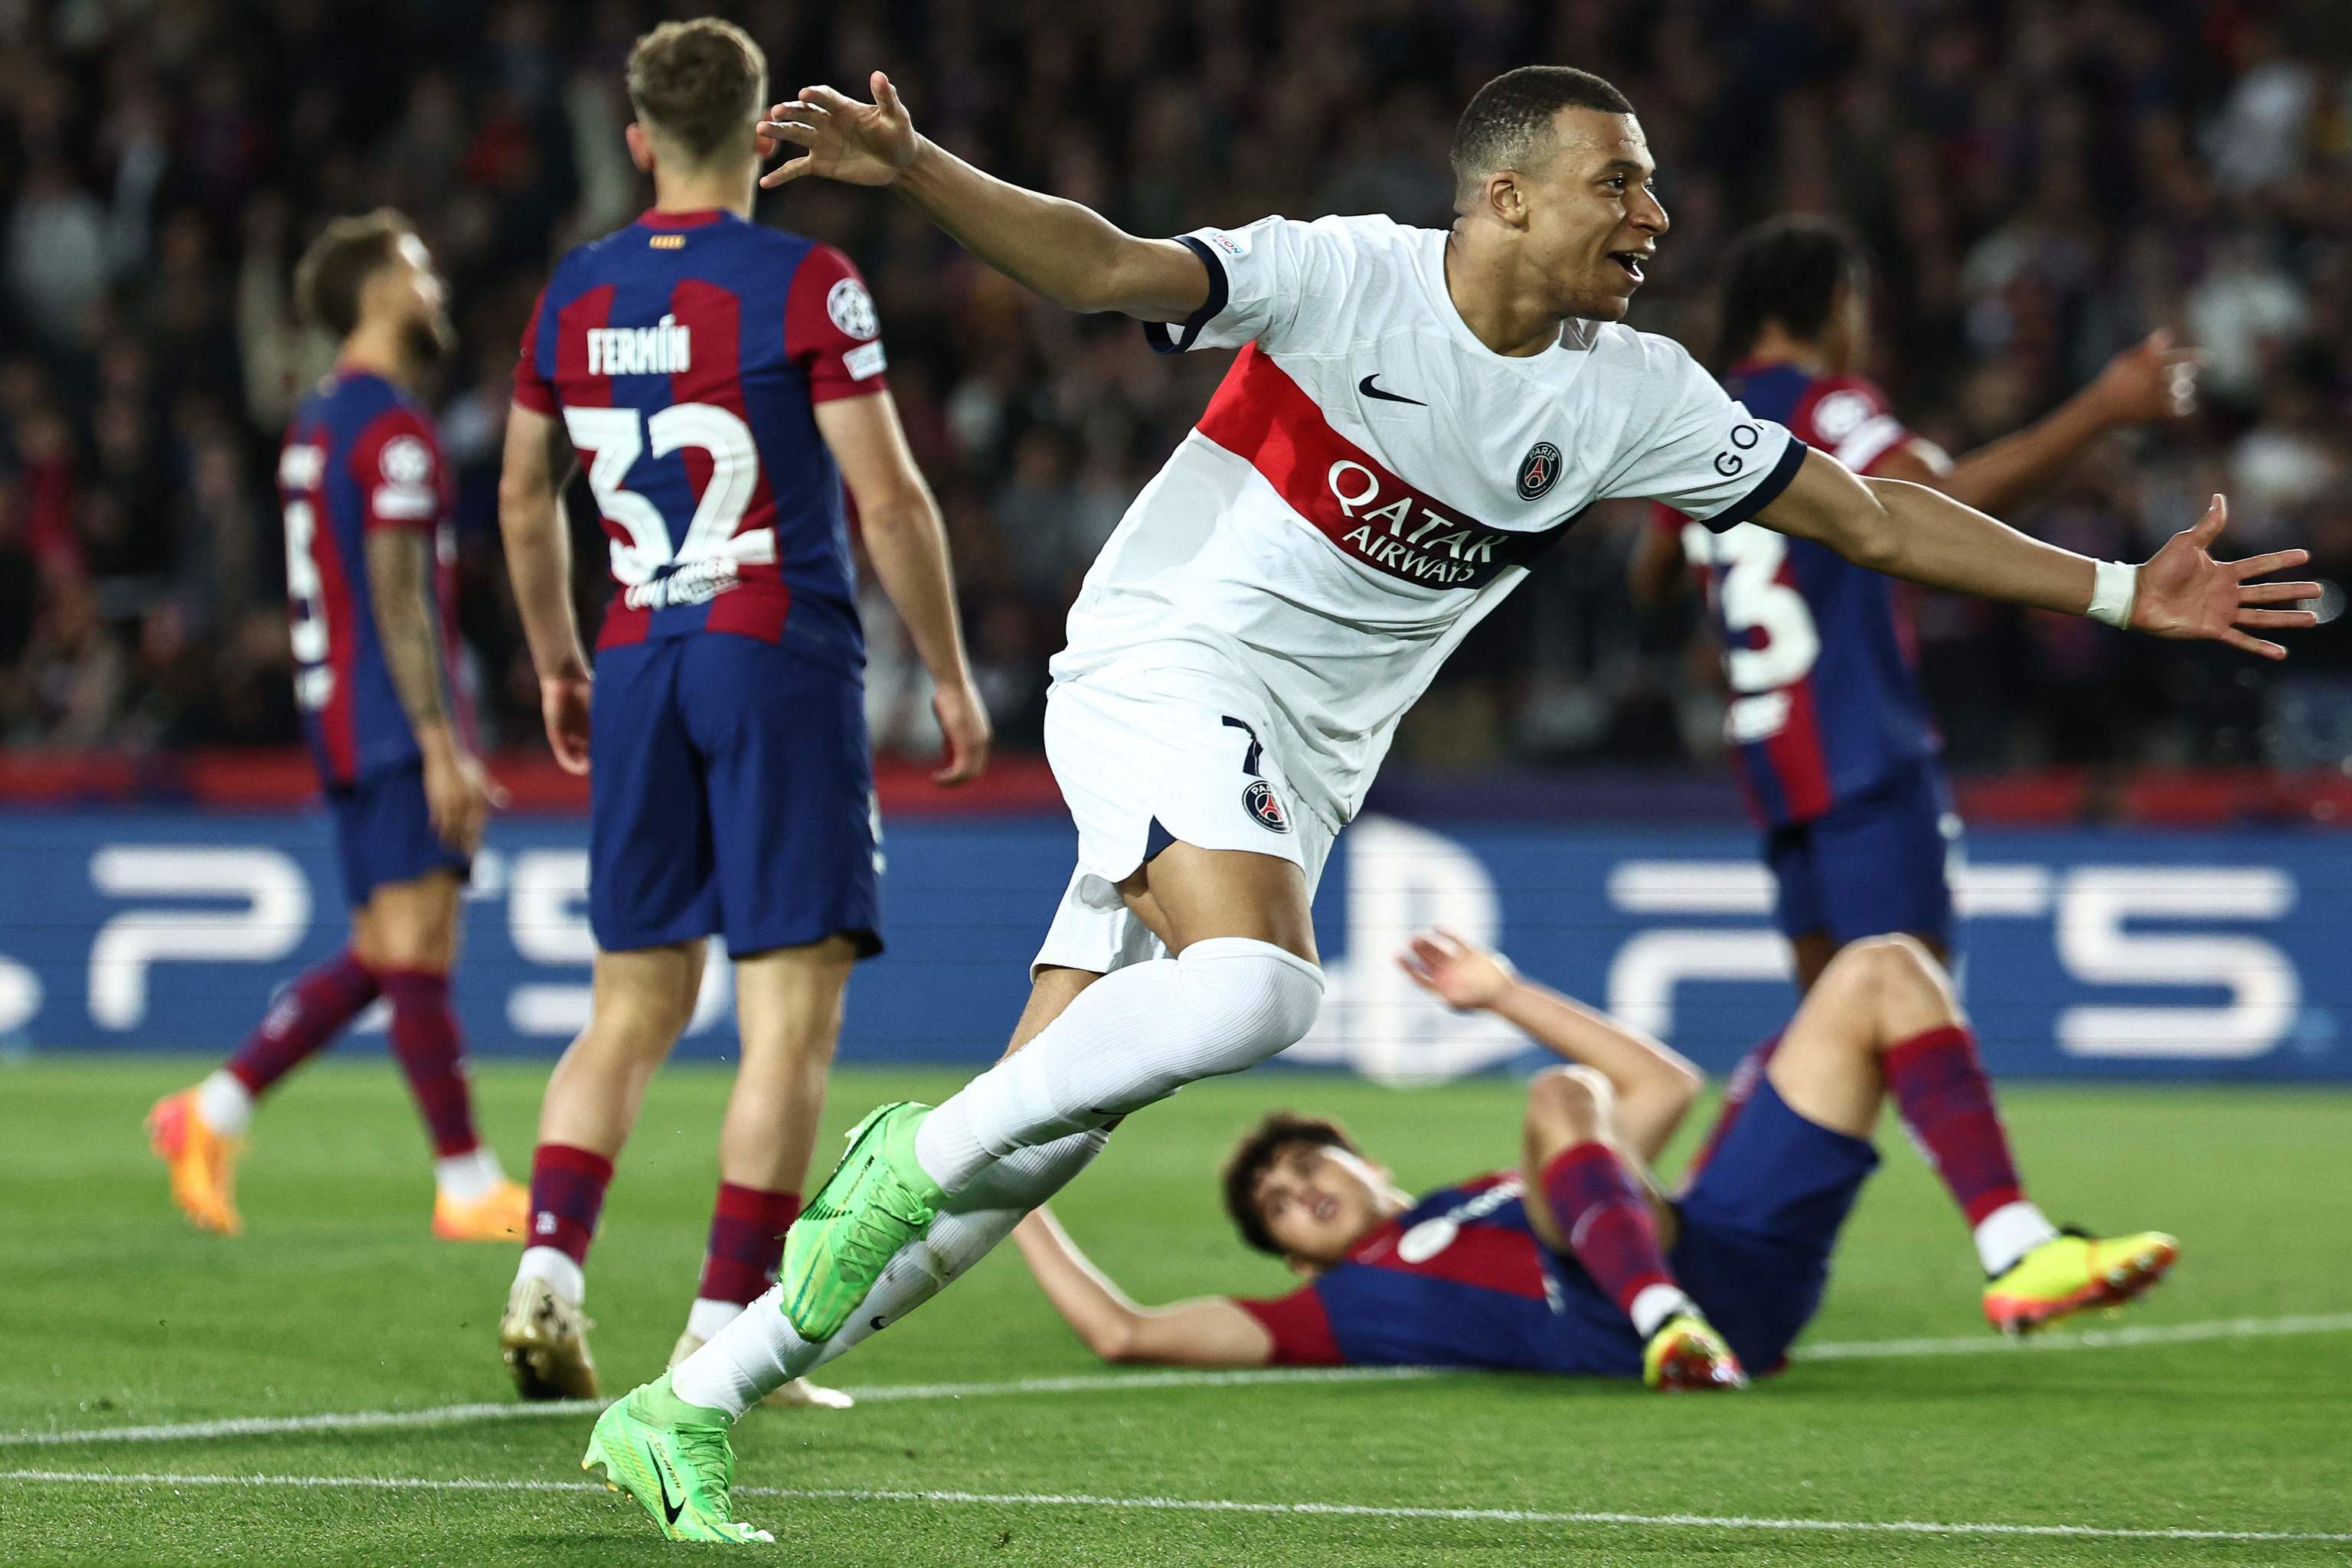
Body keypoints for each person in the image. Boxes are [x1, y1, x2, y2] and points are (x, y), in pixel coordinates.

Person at [584, 64, 2308, 1543]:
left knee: (1039, 1147)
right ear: (1502, 194)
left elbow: (1861, 516)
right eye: (1617, 182)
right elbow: (1112, 266)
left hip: (1303, 767)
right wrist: (925, 172)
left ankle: (686, 1399)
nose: (1654, 211)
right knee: (1259, 990)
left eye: (1657, 188)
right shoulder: (1346, 279)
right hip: (1165, 667)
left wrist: (2108, 591)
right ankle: (911, 1140)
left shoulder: (1631, 394)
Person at [492, 18, 988, 1410]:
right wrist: (947, 671)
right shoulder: (804, 281)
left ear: (640, 138)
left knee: (629, 1006)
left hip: (640, 647)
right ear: (764, 129)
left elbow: (525, 497)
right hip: (775, 652)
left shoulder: (574, 291)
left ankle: (548, 1267)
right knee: (786, 1022)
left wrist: (553, 657)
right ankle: (721, 1328)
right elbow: (886, 494)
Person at [1011, 929, 2177, 1389]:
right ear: (1296, 1253)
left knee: (1878, 969)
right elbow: (1127, 1333)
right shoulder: (1340, 1307)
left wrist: (1507, 994)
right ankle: (1662, 1321)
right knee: (1564, 1099)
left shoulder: (1494, 1193)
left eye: (1307, 1163)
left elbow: (1660, 1089)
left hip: (1728, 1256)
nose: (1299, 1191)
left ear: (1367, 1163)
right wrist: (1003, 1186)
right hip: (1614, 1315)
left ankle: (2017, 1245)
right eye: (1279, 1208)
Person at [1629, 216, 2203, 990]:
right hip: (1860, 746)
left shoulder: (1706, 422)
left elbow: (1650, 574)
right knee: (1916, 1016)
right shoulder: (1827, 406)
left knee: (1829, 1040)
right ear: (1837, 301)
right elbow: (1937, 505)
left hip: (1771, 756)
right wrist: (2101, 407)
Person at [145, 211, 522, 1243]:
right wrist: (445, 745)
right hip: (394, 720)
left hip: (345, 716)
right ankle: (466, 1180)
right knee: (419, 949)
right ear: (374, 295)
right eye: (416, 268)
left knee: (384, 947)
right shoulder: (393, 431)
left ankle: (208, 1114)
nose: (434, 283)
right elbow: (401, 603)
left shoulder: (323, 420)